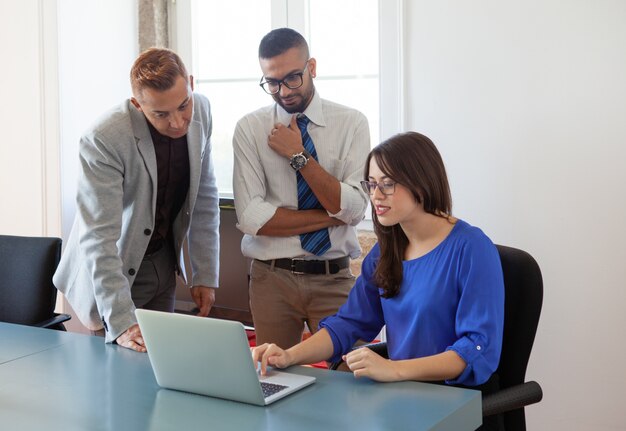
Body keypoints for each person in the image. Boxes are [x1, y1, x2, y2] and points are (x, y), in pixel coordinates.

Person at [253, 131, 505, 390]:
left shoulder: (472, 248)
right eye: (371, 184)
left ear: (421, 183)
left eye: (387, 184)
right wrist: (289, 355)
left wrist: (394, 369)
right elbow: (350, 323)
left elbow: (477, 347)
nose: (376, 195)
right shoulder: (386, 251)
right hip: (401, 391)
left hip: (451, 396)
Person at [53, 48, 220, 351]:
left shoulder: (203, 111)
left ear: (191, 84)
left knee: (162, 366)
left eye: (183, 106)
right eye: (161, 114)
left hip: (163, 261)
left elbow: (205, 197)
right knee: (117, 377)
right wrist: (120, 322)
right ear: (137, 105)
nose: (178, 122)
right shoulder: (104, 138)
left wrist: (205, 274)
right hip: (115, 266)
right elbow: (98, 237)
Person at [233, 28, 370, 349]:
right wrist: (332, 216)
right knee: (275, 380)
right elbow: (254, 219)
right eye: (272, 82)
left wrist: (299, 155)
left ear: (312, 67)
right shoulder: (250, 129)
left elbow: (356, 208)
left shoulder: (352, 123)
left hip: (334, 278)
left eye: (293, 78)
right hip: (271, 279)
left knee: (354, 379)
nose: (283, 91)